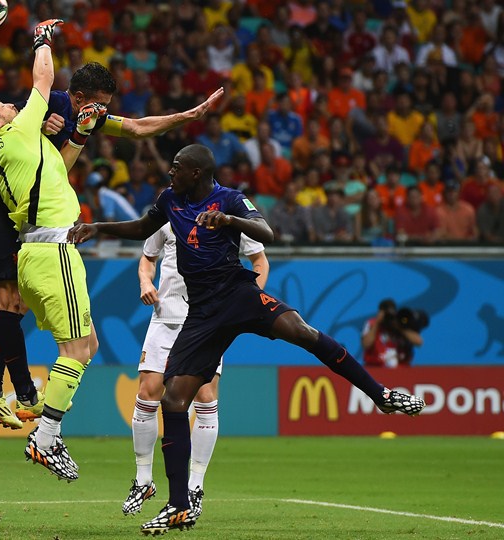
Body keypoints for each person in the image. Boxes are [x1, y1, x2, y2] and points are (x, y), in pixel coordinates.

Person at [68, 144, 426, 534]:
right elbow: (142, 228)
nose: (170, 173)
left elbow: (266, 232)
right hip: (201, 314)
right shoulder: (170, 199)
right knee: (172, 400)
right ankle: (178, 504)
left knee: (303, 332)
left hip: (238, 295)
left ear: (197, 173)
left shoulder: (231, 199)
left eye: (177, 168)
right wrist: (97, 227)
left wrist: (227, 221)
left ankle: (381, 396)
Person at [0, 27, 225, 433]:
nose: (104, 111)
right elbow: (23, 112)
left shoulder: (87, 117)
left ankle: (15, 393)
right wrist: (42, 45)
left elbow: (137, 129)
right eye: (100, 105)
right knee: (7, 299)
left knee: (16, 304)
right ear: (81, 98)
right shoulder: (37, 109)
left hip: (27, 207)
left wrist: (187, 116)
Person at [0, 18, 101, 480]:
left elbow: (56, 171)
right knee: (79, 349)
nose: (11, 104)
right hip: (53, 253)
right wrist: (42, 37)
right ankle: (45, 436)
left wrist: (76, 134)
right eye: (4, 105)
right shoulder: (17, 132)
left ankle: (32, 411)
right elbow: (43, 78)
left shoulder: (3, 150)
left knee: (82, 344)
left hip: (35, 255)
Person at [123, 226, 269, 518]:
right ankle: (143, 479)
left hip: (207, 320)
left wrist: (246, 300)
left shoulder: (228, 214)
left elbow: (260, 261)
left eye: (179, 175)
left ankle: (195, 485)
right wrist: (144, 283)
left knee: (204, 396)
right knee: (146, 392)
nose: (174, 177)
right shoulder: (168, 212)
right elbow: (147, 258)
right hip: (165, 318)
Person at [361, 298, 424, 368]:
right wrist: (377, 323)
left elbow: (419, 342)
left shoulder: (400, 323)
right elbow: (366, 344)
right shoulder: (371, 323)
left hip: (400, 369)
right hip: (376, 367)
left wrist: (399, 327)